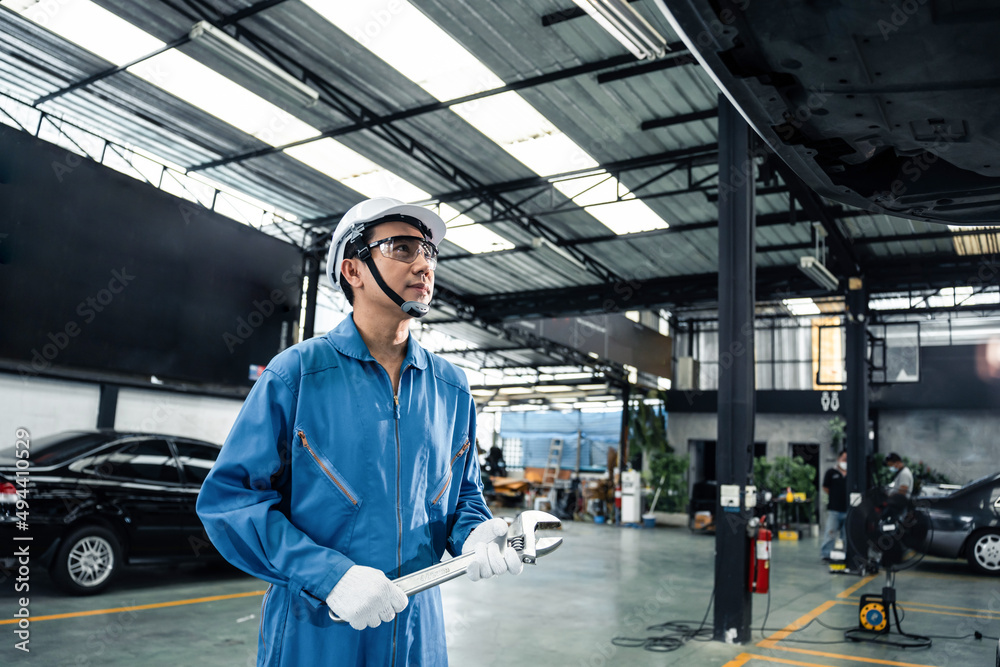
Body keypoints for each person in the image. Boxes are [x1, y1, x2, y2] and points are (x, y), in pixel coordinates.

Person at [196, 197, 522, 666]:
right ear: (353, 270)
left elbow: (463, 495)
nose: (424, 263)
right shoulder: (298, 375)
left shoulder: (451, 387)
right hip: (319, 628)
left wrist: (475, 534)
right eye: (403, 248)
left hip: (417, 631)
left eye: (429, 251)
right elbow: (231, 501)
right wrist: (330, 576)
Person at [820, 449, 848, 560]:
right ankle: (826, 554)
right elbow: (825, 487)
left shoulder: (852, 473)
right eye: (844, 459)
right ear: (838, 459)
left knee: (846, 535)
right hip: (834, 509)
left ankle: (847, 554)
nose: (846, 461)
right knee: (830, 533)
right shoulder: (831, 472)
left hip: (848, 509)